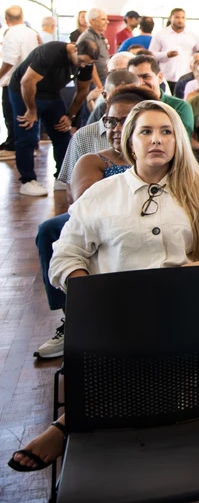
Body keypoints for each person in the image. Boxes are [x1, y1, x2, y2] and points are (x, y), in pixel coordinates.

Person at [9, 99, 199, 473]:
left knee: (157, 331)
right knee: (137, 331)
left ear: (178, 140)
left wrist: (191, 271)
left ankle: (69, 422)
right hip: (120, 315)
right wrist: (96, 298)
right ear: (128, 142)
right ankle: (142, 421)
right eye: (146, 132)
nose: (157, 140)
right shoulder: (102, 195)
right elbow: (64, 258)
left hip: (188, 308)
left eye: (166, 131)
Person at [32, 84, 159, 360]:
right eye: (110, 120)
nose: (114, 128)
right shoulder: (94, 160)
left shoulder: (163, 159)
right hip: (100, 223)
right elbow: (86, 210)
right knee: (51, 230)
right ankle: (73, 319)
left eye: (124, 121)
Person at [8, 39, 98, 196]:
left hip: (51, 92)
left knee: (62, 132)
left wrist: (70, 115)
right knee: (27, 134)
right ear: (75, 49)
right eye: (82, 61)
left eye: (87, 63)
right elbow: (27, 82)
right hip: (24, 90)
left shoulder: (87, 63)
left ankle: (62, 178)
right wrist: (31, 110)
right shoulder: (51, 52)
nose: (82, 66)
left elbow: (83, 90)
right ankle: (27, 181)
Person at [60, 70, 141, 188]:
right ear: (105, 96)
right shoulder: (84, 136)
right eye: (117, 97)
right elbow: (70, 185)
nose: (123, 102)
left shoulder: (150, 135)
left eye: (131, 98)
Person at [2, 5, 43, 160]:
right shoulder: (32, 33)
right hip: (33, 81)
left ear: (6, 20)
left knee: (14, 116)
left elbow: (10, 60)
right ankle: (30, 144)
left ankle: (14, 146)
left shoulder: (11, 33)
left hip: (15, 82)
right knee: (29, 115)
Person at [127, 54, 195, 137]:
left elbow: (182, 142)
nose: (140, 83)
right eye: (135, 78)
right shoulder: (126, 107)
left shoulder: (179, 107)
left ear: (160, 77)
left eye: (146, 77)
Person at [149, 8, 199, 91]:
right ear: (170, 18)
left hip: (186, 75)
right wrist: (166, 55)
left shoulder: (193, 36)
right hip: (166, 76)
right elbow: (151, 54)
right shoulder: (161, 34)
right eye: (177, 17)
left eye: (183, 17)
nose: (180, 20)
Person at [80, 7, 112, 78]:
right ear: (92, 21)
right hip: (94, 82)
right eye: (103, 19)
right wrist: (99, 86)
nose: (107, 22)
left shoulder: (98, 35)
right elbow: (88, 63)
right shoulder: (88, 38)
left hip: (103, 77)